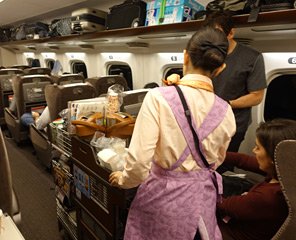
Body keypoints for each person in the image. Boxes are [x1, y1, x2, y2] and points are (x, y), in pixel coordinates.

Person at [109, 26, 236, 240]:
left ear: (185, 56)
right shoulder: (226, 111)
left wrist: (123, 179)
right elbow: (217, 160)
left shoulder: (158, 97)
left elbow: (140, 163)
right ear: (221, 68)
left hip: (162, 201)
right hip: (202, 203)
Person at [217, 118, 296, 240]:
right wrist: (215, 153)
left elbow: (221, 205)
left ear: (273, 156)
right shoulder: (286, 173)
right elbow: (242, 160)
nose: (253, 150)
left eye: (258, 148)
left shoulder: (268, 197)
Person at [203, 12, 267, 152]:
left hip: (234, 125)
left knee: (225, 167)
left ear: (231, 33)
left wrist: (225, 104)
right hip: (205, 122)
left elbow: (257, 96)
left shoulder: (252, 57)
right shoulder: (206, 54)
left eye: (217, 34)